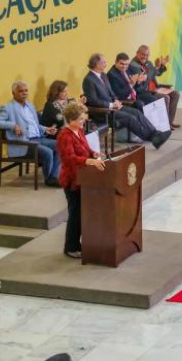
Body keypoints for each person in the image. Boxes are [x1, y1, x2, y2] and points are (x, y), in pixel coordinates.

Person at [82, 53, 171, 149]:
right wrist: (112, 105)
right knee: (130, 117)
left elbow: (111, 93)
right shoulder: (89, 80)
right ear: (96, 64)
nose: (106, 64)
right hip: (104, 112)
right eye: (103, 62)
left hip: (114, 107)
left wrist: (116, 101)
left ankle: (156, 133)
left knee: (136, 112)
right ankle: (153, 139)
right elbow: (93, 101)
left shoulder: (103, 75)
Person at [56, 103, 105, 259]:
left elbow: (85, 149)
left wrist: (94, 153)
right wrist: (90, 162)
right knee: (75, 214)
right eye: (81, 120)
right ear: (71, 120)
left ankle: (78, 244)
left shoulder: (79, 131)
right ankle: (70, 247)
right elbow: (69, 158)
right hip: (71, 180)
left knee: (82, 213)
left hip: (83, 178)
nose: (83, 122)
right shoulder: (65, 135)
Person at [0, 81, 61, 187]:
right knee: (48, 152)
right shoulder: (8, 108)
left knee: (61, 145)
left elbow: (34, 125)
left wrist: (46, 129)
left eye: (26, 91)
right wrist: (13, 125)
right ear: (13, 93)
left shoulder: (30, 105)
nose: (24, 93)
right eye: (20, 91)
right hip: (24, 143)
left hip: (38, 138)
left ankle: (54, 176)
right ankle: (49, 179)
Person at [128, 45, 180, 130]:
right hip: (144, 92)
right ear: (137, 53)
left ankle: (170, 122)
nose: (145, 57)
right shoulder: (134, 66)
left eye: (147, 55)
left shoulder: (148, 63)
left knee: (175, 94)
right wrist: (154, 69)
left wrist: (161, 66)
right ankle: (164, 125)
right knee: (165, 97)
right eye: (142, 54)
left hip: (155, 88)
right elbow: (143, 82)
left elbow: (156, 73)